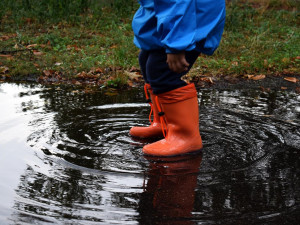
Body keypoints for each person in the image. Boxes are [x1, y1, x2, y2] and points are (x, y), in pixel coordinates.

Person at [130, 0, 226, 157]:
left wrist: (176, 45)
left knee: (162, 71)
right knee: (146, 59)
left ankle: (186, 138)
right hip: (173, 15)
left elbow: (177, 3)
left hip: (190, 18)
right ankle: (164, 124)